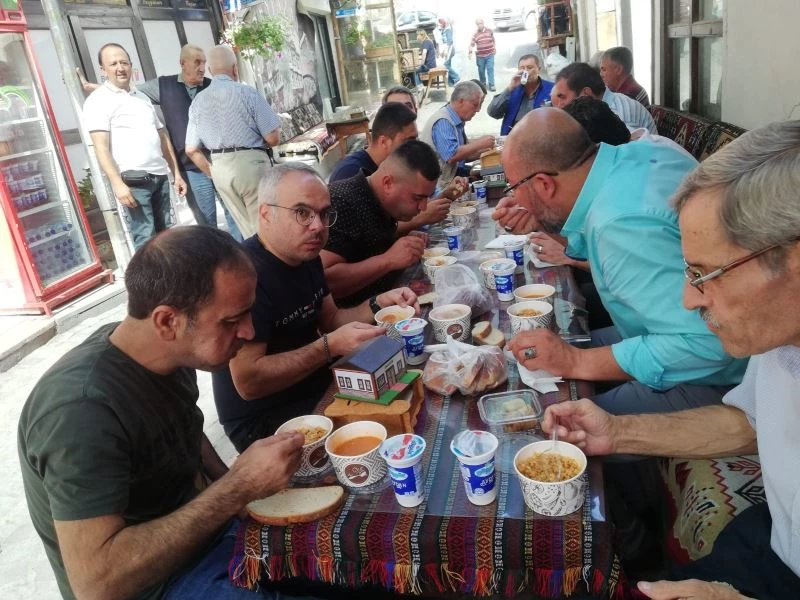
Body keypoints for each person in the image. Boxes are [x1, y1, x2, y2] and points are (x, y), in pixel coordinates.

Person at [544, 121, 800, 600]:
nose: (688, 299)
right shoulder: (779, 336)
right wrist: (616, 432)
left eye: (706, 274)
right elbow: (749, 422)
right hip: (772, 541)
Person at [17, 226, 319, 600]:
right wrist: (237, 487)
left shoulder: (167, 351)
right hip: (152, 585)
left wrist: (240, 490)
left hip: (206, 538)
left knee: (351, 562)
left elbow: (186, 426)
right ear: (166, 321)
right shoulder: (79, 413)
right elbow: (97, 584)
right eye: (231, 321)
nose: (249, 331)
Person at [493, 108, 746, 414]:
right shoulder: (642, 153)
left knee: (557, 420)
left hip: (728, 375)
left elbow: (706, 344)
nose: (515, 199)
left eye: (514, 188)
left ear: (545, 184)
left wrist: (576, 361)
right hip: (675, 330)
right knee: (570, 341)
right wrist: (542, 216)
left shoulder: (618, 225)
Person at [212, 163, 420, 451]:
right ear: (265, 213)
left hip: (314, 384)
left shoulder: (307, 256)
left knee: (411, 394)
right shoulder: (245, 276)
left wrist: (378, 303)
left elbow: (332, 319)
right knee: (378, 440)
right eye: (302, 213)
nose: (318, 226)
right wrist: (328, 347)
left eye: (324, 214)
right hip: (265, 418)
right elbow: (249, 382)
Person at [78, 45, 242, 239]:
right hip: (188, 169)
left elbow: (159, 131)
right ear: (183, 64)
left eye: (204, 62)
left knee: (235, 213)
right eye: (197, 62)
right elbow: (102, 142)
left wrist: (174, 173)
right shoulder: (162, 86)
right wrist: (97, 88)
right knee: (205, 225)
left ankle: (241, 251)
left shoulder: (209, 86)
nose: (202, 68)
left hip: (218, 162)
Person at [83, 43, 186, 250]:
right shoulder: (98, 101)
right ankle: (148, 274)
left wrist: (176, 173)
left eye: (124, 62)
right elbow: (100, 147)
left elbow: (162, 136)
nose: (120, 68)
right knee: (145, 240)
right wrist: (117, 184)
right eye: (113, 64)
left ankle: (169, 273)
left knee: (167, 237)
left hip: (160, 176)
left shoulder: (141, 97)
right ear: (103, 69)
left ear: (131, 65)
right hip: (134, 181)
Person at [321, 140, 442, 306]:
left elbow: (366, 245)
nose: (424, 207)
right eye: (417, 198)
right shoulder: (341, 202)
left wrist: (400, 239)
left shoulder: (380, 200)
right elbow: (326, 281)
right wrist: (389, 259)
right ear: (387, 183)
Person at [185, 45, 281, 239]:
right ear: (235, 68)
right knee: (266, 225)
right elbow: (273, 138)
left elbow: (191, 149)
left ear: (210, 70)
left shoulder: (198, 101)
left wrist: (212, 172)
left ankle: (253, 257)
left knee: (246, 230)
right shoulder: (247, 93)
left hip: (220, 168)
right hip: (251, 164)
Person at [420, 80, 495, 187]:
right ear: (461, 101)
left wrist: (486, 152)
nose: (478, 110)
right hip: (438, 186)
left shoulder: (457, 120)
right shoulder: (443, 121)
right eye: (475, 105)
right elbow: (452, 155)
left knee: (487, 174)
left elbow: (463, 155)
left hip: (452, 175)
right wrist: (480, 143)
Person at [550, 62, 657, 133]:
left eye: (562, 97)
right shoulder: (597, 111)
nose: (559, 106)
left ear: (586, 94)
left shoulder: (617, 116)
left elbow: (628, 154)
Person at [328, 102, 418, 182]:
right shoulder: (349, 173)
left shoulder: (395, 167)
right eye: (409, 141)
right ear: (383, 142)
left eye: (416, 139)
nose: (416, 147)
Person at [488, 54, 555, 135]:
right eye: (522, 68)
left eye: (529, 68)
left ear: (538, 69)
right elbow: (493, 113)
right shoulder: (513, 91)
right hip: (514, 137)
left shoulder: (552, 89)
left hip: (541, 137)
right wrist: (510, 88)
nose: (525, 71)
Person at [468, 18, 496, 92]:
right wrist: (470, 52)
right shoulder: (475, 34)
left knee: (490, 69)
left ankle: (492, 84)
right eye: (478, 24)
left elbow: (493, 40)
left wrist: (494, 48)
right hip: (480, 56)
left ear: (483, 23)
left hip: (490, 54)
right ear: (476, 25)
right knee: (481, 71)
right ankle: (483, 84)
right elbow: (472, 44)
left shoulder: (489, 31)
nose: (479, 25)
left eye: (480, 23)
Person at [438, 17, 460, 86]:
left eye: (441, 23)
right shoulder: (443, 30)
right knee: (448, 65)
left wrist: (446, 50)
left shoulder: (447, 29)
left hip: (449, 49)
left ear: (443, 23)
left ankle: (456, 77)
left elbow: (450, 41)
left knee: (446, 65)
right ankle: (451, 83)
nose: (440, 25)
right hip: (447, 49)